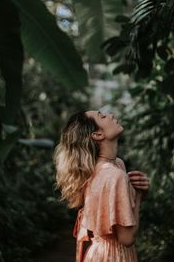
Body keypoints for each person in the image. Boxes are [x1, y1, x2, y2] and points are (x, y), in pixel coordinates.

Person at [53, 109, 150, 262]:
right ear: (98, 135)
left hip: (97, 253)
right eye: (102, 116)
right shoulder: (115, 175)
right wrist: (138, 195)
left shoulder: (111, 166)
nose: (111, 115)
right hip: (114, 256)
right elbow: (127, 238)